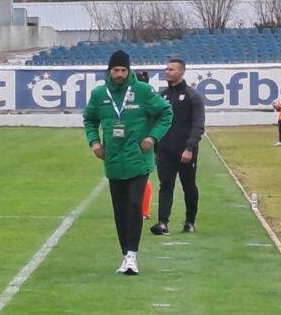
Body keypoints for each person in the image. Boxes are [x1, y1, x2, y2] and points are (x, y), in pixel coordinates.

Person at [83, 50, 173, 275]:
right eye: (116, 70)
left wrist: (152, 137)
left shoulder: (143, 91)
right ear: (109, 71)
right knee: (120, 210)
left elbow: (166, 113)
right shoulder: (99, 94)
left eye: (124, 70)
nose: (120, 74)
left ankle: (132, 254)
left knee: (134, 206)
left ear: (129, 70)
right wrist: (94, 142)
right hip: (113, 161)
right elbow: (89, 119)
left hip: (138, 160)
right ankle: (126, 254)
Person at [150, 58, 205, 236]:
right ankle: (162, 222)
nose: (167, 72)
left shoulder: (192, 96)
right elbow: (155, 122)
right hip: (165, 150)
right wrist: (155, 148)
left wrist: (190, 148)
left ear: (181, 72)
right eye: (166, 69)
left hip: (185, 151)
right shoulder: (162, 96)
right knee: (165, 185)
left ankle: (190, 222)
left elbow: (198, 125)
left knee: (189, 186)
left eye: (171, 69)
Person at [136, 70, 154, 220]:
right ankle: (142, 210)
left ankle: (143, 211)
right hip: (143, 142)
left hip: (143, 142)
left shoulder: (146, 100)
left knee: (141, 177)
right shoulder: (148, 97)